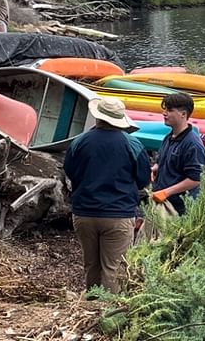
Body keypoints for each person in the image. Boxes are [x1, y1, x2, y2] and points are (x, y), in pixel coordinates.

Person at [63, 96, 151, 293]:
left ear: (97, 117)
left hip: (84, 213)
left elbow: (69, 171)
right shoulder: (133, 144)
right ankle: (107, 315)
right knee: (113, 269)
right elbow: (143, 179)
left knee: (91, 265)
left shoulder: (79, 142)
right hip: (118, 214)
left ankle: (90, 307)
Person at [150, 93, 205, 216]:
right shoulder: (169, 137)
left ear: (183, 114)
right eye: (164, 109)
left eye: (170, 110)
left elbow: (195, 179)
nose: (164, 113)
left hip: (179, 210)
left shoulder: (192, 144)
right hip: (162, 204)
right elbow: (162, 162)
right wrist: (155, 168)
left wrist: (166, 192)